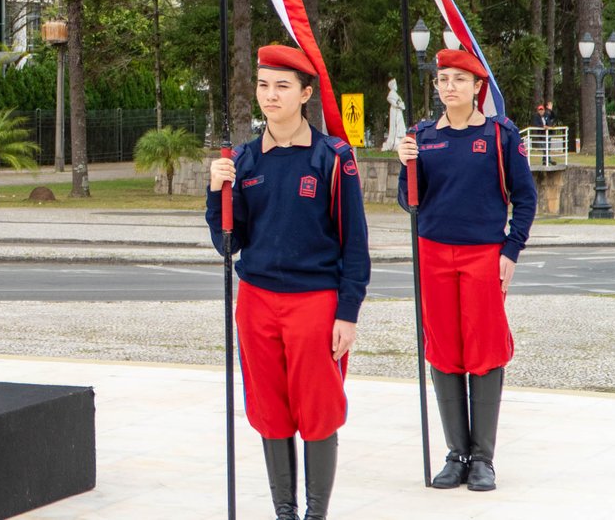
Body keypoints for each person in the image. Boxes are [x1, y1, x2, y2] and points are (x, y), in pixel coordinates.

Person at [207, 44, 370, 520]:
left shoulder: (332, 158)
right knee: (269, 409)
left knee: (318, 409)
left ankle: (315, 514)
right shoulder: (244, 160)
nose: (270, 95)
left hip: (315, 302)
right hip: (257, 301)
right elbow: (228, 243)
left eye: (282, 86)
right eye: (263, 85)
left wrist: (347, 313)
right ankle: (285, 512)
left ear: (305, 94)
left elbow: (355, 244)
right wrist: (216, 191)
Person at [397, 49, 537, 493]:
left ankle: (482, 458)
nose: (449, 86)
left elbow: (525, 197)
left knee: (485, 347)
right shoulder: (422, 136)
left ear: (478, 87)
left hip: (483, 254)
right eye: (443, 79)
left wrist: (511, 250)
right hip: (433, 252)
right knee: (443, 347)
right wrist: (406, 164)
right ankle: (456, 453)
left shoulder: (500, 135)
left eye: (459, 79)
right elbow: (410, 202)